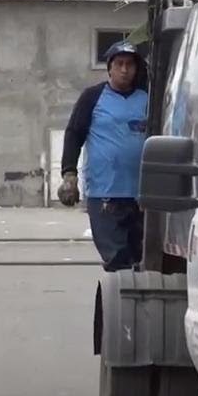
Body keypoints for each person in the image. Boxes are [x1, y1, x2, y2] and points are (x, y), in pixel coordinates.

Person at [57, 41, 149, 272]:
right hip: (105, 194)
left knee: (141, 258)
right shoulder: (93, 97)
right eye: (119, 64)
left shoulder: (148, 99)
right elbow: (73, 134)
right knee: (117, 258)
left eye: (130, 65)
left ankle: (133, 303)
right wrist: (69, 175)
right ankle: (121, 304)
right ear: (109, 68)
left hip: (141, 196)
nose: (125, 70)